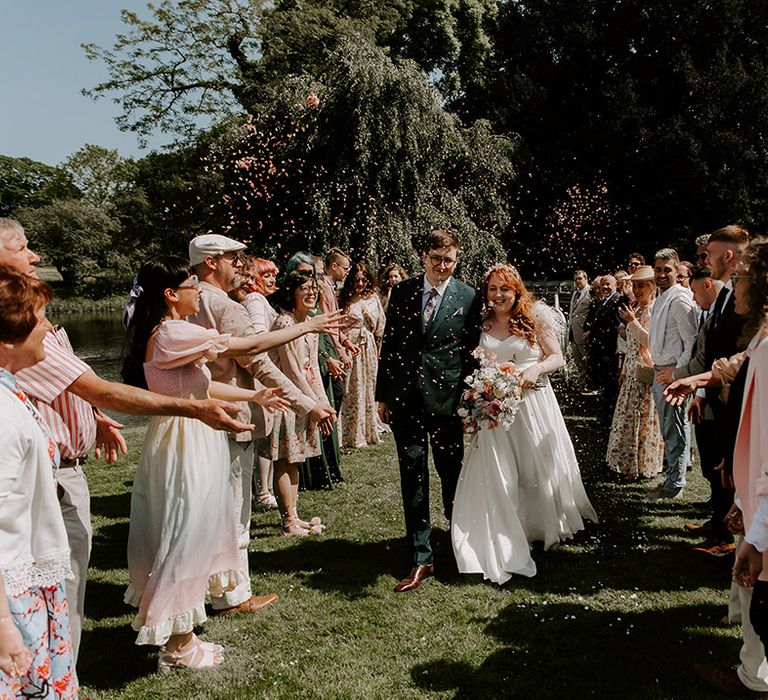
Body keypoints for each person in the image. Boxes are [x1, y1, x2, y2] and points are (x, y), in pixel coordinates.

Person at [0, 218, 255, 669]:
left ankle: (60, 671)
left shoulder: (23, 319)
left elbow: (70, 384)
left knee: (66, 578)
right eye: (22, 247)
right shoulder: (12, 329)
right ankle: (50, 671)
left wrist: (94, 415)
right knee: (58, 577)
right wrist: (194, 410)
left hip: (69, 463)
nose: (35, 256)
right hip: (54, 470)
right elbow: (96, 385)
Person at [121, 257, 290, 670]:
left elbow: (201, 384)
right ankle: (177, 646)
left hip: (187, 436)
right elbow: (245, 347)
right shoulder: (174, 331)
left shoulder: (167, 333)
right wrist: (305, 327)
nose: (198, 290)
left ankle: (183, 633)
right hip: (185, 442)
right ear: (170, 294)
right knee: (185, 532)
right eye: (192, 284)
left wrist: (254, 397)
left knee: (187, 529)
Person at [188, 234, 338, 612]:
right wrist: (309, 404)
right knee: (236, 512)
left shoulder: (185, 301)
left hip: (195, 418)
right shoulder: (226, 307)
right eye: (234, 259)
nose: (242, 266)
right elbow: (260, 363)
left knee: (206, 509)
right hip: (232, 419)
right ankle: (234, 595)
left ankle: (202, 589)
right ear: (211, 262)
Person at [451, 264, 597, 583]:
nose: (498, 295)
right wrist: (482, 388)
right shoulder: (482, 323)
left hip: (532, 404)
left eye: (505, 288)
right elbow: (478, 359)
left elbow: (557, 357)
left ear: (517, 290)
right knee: (498, 471)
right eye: (492, 289)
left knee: (535, 468)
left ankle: (537, 525)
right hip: (494, 409)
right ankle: (500, 526)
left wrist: (532, 371)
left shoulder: (536, 317)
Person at [669, 239, 768, 696]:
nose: (735, 283)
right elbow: (737, 367)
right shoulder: (762, 338)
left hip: (765, 511)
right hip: (754, 493)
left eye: (743, 277)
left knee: (757, 591)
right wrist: (698, 379)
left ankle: (752, 681)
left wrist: (759, 532)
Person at [377, 228, 481, 592]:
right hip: (406, 400)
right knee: (413, 475)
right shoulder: (403, 291)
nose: (442, 266)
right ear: (424, 257)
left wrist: (472, 401)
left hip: (448, 401)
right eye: (436, 259)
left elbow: (471, 353)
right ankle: (421, 556)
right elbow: (389, 345)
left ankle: (459, 546)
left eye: (449, 260)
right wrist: (382, 395)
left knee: (452, 474)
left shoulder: (468, 296)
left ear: (457, 260)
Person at [0, 268, 77, 698]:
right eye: (40, 317)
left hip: (26, 580)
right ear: (8, 339)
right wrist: (4, 626)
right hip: (12, 598)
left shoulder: (9, 392)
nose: (49, 327)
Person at [259, 270, 334, 535]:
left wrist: (323, 403)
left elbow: (312, 366)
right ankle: (288, 521)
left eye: (314, 288)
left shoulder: (312, 324)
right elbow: (291, 371)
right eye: (305, 288)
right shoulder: (284, 323)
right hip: (285, 400)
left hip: (305, 400)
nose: (311, 293)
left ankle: (294, 515)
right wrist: (312, 406)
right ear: (291, 293)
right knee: (285, 460)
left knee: (296, 459)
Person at [647, 248, 698, 501]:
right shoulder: (662, 297)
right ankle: (672, 477)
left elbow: (692, 340)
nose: (662, 274)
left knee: (676, 428)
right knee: (669, 428)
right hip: (660, 371)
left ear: (678, 271)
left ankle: (676, 483)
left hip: (673, 373)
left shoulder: (679, 298)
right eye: (658, 269)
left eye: (667, 269)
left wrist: (677, 374)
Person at [606, 265, 664, 480]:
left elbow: (650, 342)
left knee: (641, 419)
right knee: (627, 418)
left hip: (643, 371)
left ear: (652, 287)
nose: (637, 290)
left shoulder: (652, 310)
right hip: (631, 370)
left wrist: (632, 322)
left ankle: (639, 465)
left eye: (642, 286)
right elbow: (629, 344)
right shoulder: (636, 309)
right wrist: (623, 368)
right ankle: (626, 463)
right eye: (635, 285)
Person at [241, 256, 281, 511]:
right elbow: (259, 335)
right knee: (264, 433)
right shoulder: (255, 300)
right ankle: (263, 492)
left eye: (273, 275)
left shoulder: (259, 300)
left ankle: (265, 489)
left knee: (267, 431)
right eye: (266, 275)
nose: (272, 279)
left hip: (265, 368)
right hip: (262, 370)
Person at [339, 263, 386, 449]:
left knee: (367, 388)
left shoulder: (373, 298)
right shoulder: (344, 298)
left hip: (368, 347)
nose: (360, 283)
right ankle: (349, 434)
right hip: (350, 346)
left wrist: (379, 351)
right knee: (350, 389)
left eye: (363, 280)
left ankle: (366, 431)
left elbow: (381, 328)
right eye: (356, 279)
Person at [568, 269, 591, 388]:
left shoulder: (590, 292)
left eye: (580, 278)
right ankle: (581, 382)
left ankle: (588, 383)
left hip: (583, 332)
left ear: (586, 279)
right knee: (578, 360)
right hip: (573, 332)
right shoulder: (575, 293)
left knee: (586, 359)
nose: (577, 281)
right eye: (576, 279)